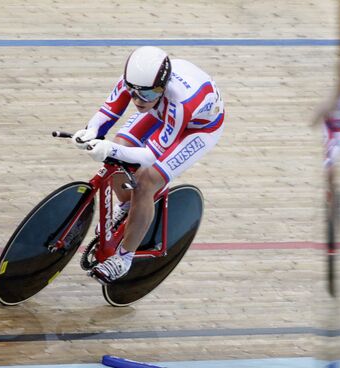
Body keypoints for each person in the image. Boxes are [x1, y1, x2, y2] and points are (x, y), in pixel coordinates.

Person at [72, 46, 225, 284]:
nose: (137, 100)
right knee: (119, 150)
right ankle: (126, 206)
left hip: (198, 129)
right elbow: (108, 111)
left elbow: (149, 155)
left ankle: (124, 258)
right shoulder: (139, 84)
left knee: (146, 181)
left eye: (146, 95)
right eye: (132, 93)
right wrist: (90, 131)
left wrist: (109, 149)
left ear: (162, 87)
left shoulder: (179, 100)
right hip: (161, 110)